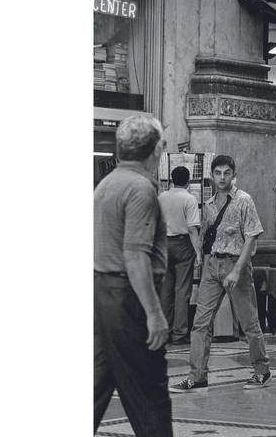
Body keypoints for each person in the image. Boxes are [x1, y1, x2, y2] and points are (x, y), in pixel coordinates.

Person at [94, 115, 172, 436]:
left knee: (99, 379)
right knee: (150, 389)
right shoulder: (140, 189)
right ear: (155, 150)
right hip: (128, 296)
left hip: (102, 292)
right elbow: (135, 254)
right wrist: (154, 314)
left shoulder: (107, 184)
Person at [170, 155, 272, 393]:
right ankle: (197, 376)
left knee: (249, 323)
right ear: (212, 176)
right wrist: (203, 262)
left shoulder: (244, 200)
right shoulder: (208, 204)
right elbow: (207, 237)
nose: (223, 177)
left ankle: (262, 370)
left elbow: (252, 237)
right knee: (200, 324)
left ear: (233, 175)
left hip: (237, 264)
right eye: (218, 173)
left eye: (227, 173)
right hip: (212, 265)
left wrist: (237, 270)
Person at [157, 165, 201, 345]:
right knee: (182, 290)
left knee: (165, 290)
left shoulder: (161, 197)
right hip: (183, 244)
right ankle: (180, 333)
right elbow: (192, 229)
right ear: (188, 180)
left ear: (172, 179)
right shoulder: (189, 199)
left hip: (163, 244)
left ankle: (165, 332)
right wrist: (198, 253)